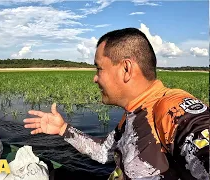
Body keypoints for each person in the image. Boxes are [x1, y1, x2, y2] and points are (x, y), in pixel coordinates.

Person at [23, 28, 209, 180]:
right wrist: (64, 129)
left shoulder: (172, 108)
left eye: (99, 68)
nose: (95, 78)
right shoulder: (134, 113)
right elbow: (104, 152)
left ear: (126, 69)